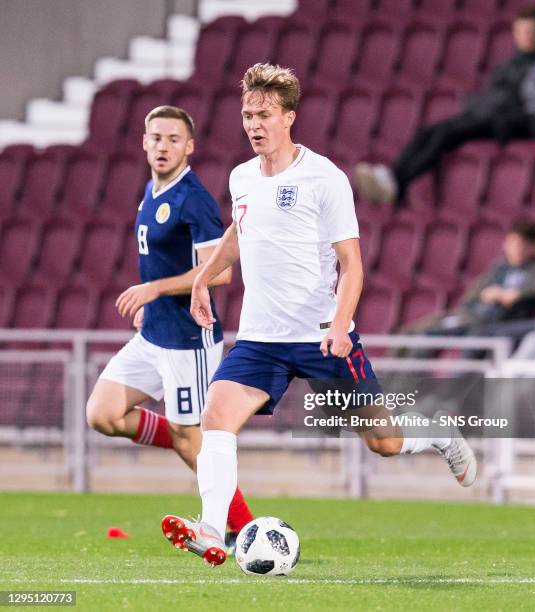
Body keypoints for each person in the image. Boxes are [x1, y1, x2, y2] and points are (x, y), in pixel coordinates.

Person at [160, 64, 478, 567]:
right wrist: (202, 277)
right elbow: (241, 231)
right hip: (262, 339)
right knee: (216, 416)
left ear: (288, 117)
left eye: (263, 114)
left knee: (385, 442)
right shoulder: (241, 177)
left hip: (322, 337)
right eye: (247, 114)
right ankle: (212, 530)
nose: (253, 124)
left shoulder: (323, 177)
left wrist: (338, 324)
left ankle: (437, 431)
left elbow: (352, 265)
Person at [86, 105, 253, 546]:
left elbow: (219, 273)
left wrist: (154, 291)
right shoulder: (152, 188)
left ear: (189, 147)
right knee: (102, 414)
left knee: (192, 441)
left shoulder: (192, 198)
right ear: (144, 142)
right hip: (153, 333)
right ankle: (183, 435)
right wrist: (150, 304)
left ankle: (245, 529)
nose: (163, 146)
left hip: (187, 340)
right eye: (156, 138)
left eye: (173, 140)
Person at [354, 5, 535, 206]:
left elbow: (527, 104)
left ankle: (397, 182)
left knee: (445, 135)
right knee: (426, 131)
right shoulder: (508, 63)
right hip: (484, 113)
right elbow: (493, 95)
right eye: (521, 31)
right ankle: (391, 176)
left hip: (505, 120)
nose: (525, 36)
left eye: (530, 31)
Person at [402, 220, 535, 350]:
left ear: (533, 247)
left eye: (520, 244)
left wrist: (506, 294)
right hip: (472, 315)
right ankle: (395, 375)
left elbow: (527, 291)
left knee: (429, 336)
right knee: (412, 332)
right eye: (511, 243)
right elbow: (472, 295)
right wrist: (487, 294)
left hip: (496, 322)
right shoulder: (498, 267)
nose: (515, 249)